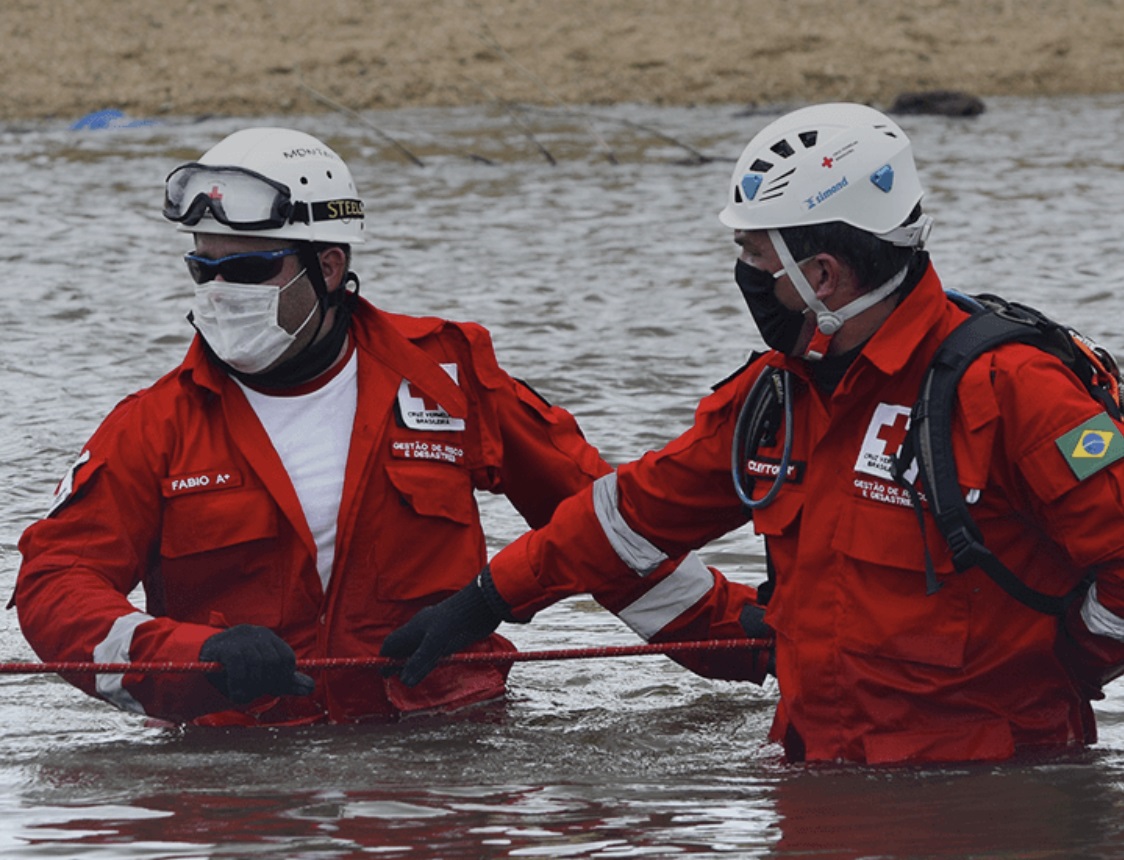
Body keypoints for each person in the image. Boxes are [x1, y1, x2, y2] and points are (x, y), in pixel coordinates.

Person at [380, 103, 1124, 764]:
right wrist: (482, 602)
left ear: (820, 275)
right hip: (812, 783)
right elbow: (629, 515)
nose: (744, 274)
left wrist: (1066, 664)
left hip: (993, 789)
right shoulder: (777, 395)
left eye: (755, 257)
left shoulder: (1012, 389)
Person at [13, 127, 714, 726]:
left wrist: (737, 631)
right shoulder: (153, 426)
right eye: (205, 267)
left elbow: (598, 525)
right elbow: (55, 584)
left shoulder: (449, 374)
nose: (221, 293)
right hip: (248, 780)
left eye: (251, 270)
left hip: (450, 754)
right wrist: (190, 657)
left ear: (329, 266)